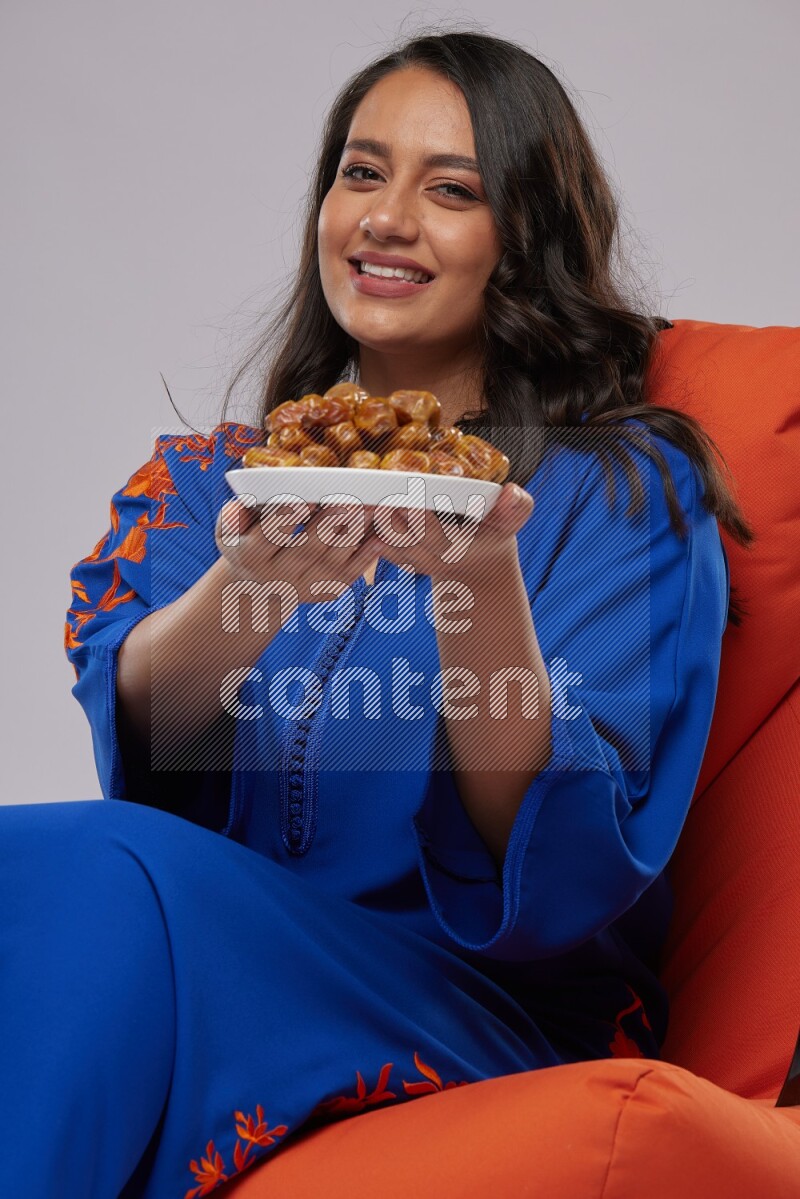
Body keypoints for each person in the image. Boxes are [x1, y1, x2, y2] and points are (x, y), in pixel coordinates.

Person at [0, 29, 753, 1199]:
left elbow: (559, 870)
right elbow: (150, 752)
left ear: (523, 237)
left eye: (450, 189)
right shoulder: (213, 482)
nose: (386, 219)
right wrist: (247, 588)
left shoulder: (620, 490)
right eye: (361, 173)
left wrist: (476, 584)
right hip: (227, 956)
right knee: (42, 859)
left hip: (479, 1012)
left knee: (100, 871)